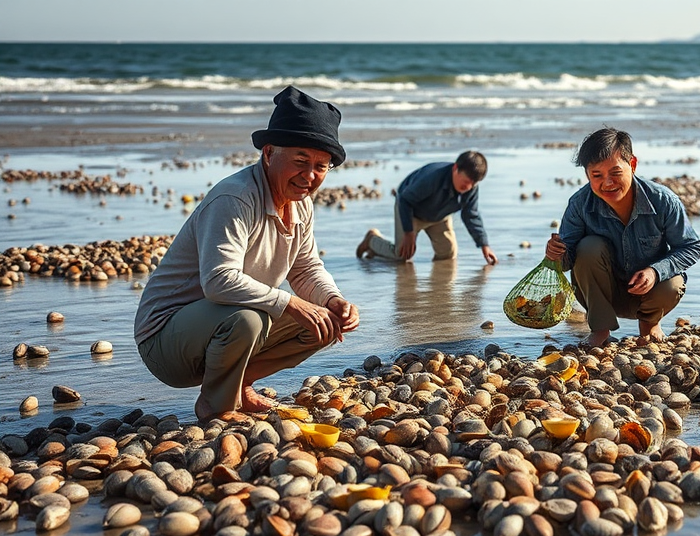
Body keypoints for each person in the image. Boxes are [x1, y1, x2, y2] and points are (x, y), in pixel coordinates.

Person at [134, 86, 359, 422]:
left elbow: (306, 268)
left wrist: (333, 300)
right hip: (165, 341)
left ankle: (239, 385)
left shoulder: (302, 205)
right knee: (248, 319)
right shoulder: (235, 198)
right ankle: (215, 406)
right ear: (268, 153)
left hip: (223, 326)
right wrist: (293, 303)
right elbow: (218, 282)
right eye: (300, 161)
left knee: (325, 322)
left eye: (321, 166)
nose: (310, 176)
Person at [545, 128, 700, 347]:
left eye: (615, 172)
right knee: (589, 246)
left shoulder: (663, 200)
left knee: (674, 283)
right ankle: (600, 330)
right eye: (597, 175)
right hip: (602, 296)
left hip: (651, 292)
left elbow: (691, 247)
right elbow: (566, 263)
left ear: (633, 164)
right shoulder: (580, 204)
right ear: (587, 175)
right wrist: (556, 255)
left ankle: (649, 324)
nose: (607, 183)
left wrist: (655, 272)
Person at [356, 152, 498, 265]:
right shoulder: (432, 177)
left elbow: (471, 215)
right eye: (466, 181)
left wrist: (484, 244)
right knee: (402, 256)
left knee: (448, 255)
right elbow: (405, 200)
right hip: (411, 211)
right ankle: (372, 240)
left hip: (439, 216)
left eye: (473, 184)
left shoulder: (470, 189)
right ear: (455, 168)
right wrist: (409, 232)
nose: (468, 187)